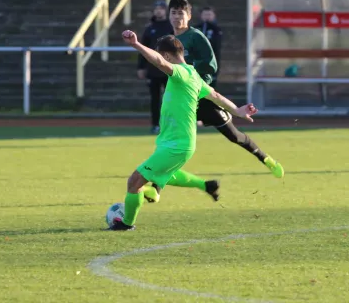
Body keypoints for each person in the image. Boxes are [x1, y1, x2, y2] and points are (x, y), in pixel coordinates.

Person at [109, 32, 258, 231]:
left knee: (134, 181)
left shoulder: (180, 73)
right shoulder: (194, 74)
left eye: (162, 55)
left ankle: (126, 224)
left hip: (176, 145)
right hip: (174, 142)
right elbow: (216, 95)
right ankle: (205, 186)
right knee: (163, 175)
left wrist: (136, 45)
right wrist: (238, 110)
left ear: (168, 56)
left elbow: (160, 63)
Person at [167, 0, 284, 179]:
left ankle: (265, 158)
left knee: (233, 136)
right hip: (182, 100)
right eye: (173, 13)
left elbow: (210, 65)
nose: (176, 17)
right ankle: (156, 186)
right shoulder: (169, 41)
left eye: (181, 13)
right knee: (175, 144)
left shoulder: (196, 37)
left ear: (189, 16)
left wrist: (196, 80)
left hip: (202, 96)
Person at [137, 0, 174, 134]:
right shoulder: (150, 28)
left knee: (170, 99)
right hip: (153, 69)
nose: (158, 11)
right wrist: (141, 67)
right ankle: (155, 124)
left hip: (169, 69)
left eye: (161, 9)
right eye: (156, 9)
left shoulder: (171, 27)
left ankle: (170, 125)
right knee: (155, 99)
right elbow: (143, 49)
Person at [194, 6, 223, 86]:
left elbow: (216, 45)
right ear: (201, 16)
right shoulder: (196, 28)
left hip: (211, 62)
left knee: (211, 87)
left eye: (209, 15)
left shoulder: (216, 29)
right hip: (198, 62)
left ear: (214, 16)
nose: (207, 17)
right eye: (205, 14)